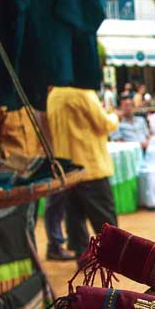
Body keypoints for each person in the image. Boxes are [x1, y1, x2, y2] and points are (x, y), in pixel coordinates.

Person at [46, 87, 118, 260]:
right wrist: (114, 116)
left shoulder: (53, 95)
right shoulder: (83, 94)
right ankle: (114, 257)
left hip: (67, 170)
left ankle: (82, 256)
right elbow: (105, 124)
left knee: (74, 217)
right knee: (104, 219)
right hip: (90, 167)